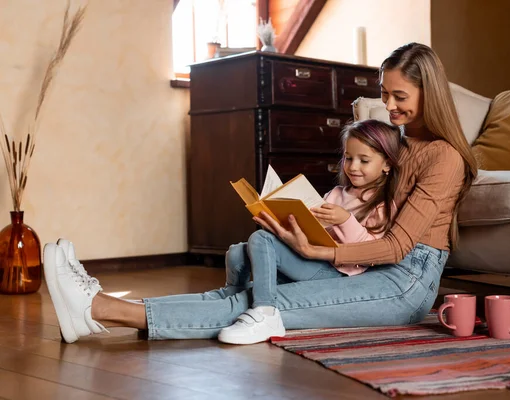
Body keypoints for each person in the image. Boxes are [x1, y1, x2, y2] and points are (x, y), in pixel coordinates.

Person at [43, 42, 478, 344]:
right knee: (253, 264)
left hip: (405, 281)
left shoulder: (444, 158)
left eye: (399, 96)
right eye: (384, 93)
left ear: (429, 93)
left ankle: (102, 311)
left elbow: (399, 246)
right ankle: (101, 310)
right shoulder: (397, 145)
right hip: (365, 268)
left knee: (260, 302)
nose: (389, 105)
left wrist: (318, 252)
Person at [215, 119, 401, 344]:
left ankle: (265, 311)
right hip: (310, 260)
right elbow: (311, 226)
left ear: (387, 164)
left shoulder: (382, 205)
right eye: (348, 158)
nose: (353, 167)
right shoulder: (336, 193)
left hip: (339, 273)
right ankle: (227, 304)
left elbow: (371, 250)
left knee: (260, 239)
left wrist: (346, 220)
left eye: (364, 160)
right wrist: (280, 223)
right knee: (238, 252)